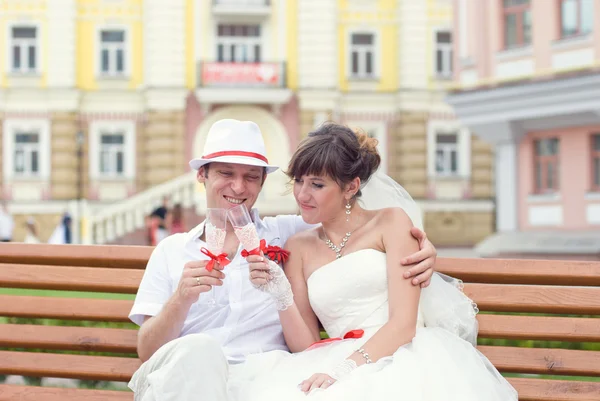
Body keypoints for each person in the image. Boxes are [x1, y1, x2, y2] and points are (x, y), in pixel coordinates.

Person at [127, 119, 438, 401]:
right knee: (200, 350)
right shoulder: (171, 250)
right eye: (225, 173)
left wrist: (422, 247)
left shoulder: (288, 234)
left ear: (263, 182)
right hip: (188, 377)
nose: (238, 187)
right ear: (201, 174)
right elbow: (147, 352)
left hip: (264, 378)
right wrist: (181, 299)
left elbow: (350, 217)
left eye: (251, 177)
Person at [236, 123, 518, 400]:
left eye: (317, 184)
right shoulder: (297, 246)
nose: (302, 194)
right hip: (332, 358)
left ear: (351, 187)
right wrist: (281, 295)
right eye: (298, 180)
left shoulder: (391, 223)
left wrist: (344, 369)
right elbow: (306, 347)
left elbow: (404, 324)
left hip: (402, 353)